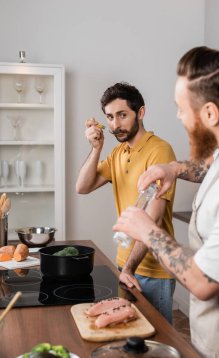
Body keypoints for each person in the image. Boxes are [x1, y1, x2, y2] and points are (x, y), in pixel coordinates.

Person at [113, 47, 219, 358]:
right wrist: (173, 168)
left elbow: (203, 283)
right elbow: (212, 166)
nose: (178, 117)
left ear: (209, 113)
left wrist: (147, 230)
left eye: (181, 109)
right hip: (210, 329)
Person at [76, 82, 177, 324]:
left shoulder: (159, 151)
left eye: (122, 115)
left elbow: (152, 220)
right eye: (109, 117)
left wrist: (129, 268)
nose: (115, 124)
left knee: (159, 341)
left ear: (140, 113)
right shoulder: (118, 153)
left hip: (153, 270)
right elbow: (82, 186)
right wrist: (96, 148)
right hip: (125, 263)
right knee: (132, 338)